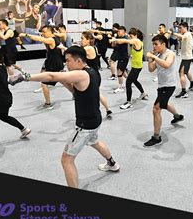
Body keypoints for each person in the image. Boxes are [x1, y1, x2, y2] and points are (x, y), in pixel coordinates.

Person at [9, 46, 120, 188]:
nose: (66, 64)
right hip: (95, 120)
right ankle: (112, 163)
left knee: (66, 160)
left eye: (68, 61)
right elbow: (78, 92)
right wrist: (66, 83)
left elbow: (51, 76)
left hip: (84, 125)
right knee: (95, 142)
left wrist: (24, 77)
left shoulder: (81, 75)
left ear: (79, 61)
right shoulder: (93, 72)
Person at [144, 35, 184, 147]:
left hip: (169, 86)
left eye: (156, 44)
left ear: (163, 44)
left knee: (156, 108)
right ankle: (177, 116)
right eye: (153, 44)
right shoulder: (158, 55)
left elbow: (166, 65)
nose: (154, 46)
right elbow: (151, 69)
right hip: (161, 86)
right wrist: (150, 59)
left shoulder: (170, 53)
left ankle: (156, 137)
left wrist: (154, 57)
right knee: (164, 104)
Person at [19, 25, 63, 110]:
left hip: (54, 65)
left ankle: (48, 104)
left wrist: (26, 35)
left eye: (45, 32)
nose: (43, 33)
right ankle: (74, 94)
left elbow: (40, 39)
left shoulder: (51, 39)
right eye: (42, 32)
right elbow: (40, 36)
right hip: (51, 62)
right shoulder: (55, 37)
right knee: (63, 81)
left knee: (44, 84)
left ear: (50, 32)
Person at [110, 28, 148, 109]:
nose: (130, 37)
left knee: (128, 83)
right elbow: (127, 37)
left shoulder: (137, 41)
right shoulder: (138, 41)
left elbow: (126, 41)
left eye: (131, 36)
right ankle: (143, 93)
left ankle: (128, 102)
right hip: (136, 66)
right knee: (134, 80)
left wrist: (115, 39)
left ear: (136, 36)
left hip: (137, 67)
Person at [80, 31, 112, 117]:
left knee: (91, 96)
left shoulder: (88, 48)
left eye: (82, 39)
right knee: (96, 94)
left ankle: (93, 115)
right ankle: (108, 110)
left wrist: (63, 48)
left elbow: (76, 52)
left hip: (92, 76)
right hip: (94, 75)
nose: (81, 40)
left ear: (88, 40)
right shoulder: (94, 47)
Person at [174, 22, 193, 98]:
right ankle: (192, 84)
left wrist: (173, 33)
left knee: (181, 73)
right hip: (187, 57)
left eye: (181, 28)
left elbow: (183, 37)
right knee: (187, 71)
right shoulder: (185, 34)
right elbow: (181, 39)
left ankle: (184, 92)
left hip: (187, 57)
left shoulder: (187, 34)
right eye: (179, 28)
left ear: (186, 28)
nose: (179, 29)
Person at [110, 26, 129, 93]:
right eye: (118, 31)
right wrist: (114, 40)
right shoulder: (117, 37)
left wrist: (114, 39)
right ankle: (130, 80)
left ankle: (120, 87)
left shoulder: (125, 38)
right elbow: (113, 45)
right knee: (123, 72)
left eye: (119, 31)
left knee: (119, 72)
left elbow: (120, 42)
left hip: (124, 57)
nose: (118, 32)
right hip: (120, 56)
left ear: (124, 32)